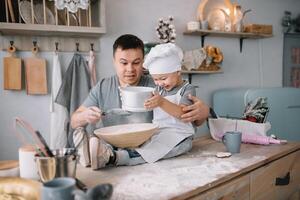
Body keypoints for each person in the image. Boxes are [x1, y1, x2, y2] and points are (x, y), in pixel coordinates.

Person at [71, 34, 209, 169]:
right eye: (124, 63)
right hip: (113, 145)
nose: (130, 69)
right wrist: (85, 116)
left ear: (143, 62)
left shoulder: (159, 84)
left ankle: (103, 155)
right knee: (101, 144)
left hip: (147, 147)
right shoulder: (103, 87)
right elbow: (74, 121)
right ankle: (90, 153)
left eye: (136, 63)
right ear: (114, 61)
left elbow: (192, 120)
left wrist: (204, 112)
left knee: (157, 147)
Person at [135, 43, 196, 163]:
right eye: (155, 79)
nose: (159, 83)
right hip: (158, 133)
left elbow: (184, 114)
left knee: (155, 151)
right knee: (140, 145)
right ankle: (109, 151)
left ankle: (116, 158)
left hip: (180, 136)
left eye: (163, 78)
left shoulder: (187, 89)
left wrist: (161, 102)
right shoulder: (158, 90)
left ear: (178, 71)